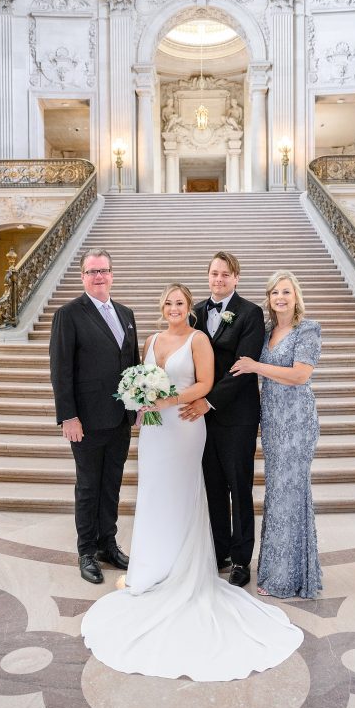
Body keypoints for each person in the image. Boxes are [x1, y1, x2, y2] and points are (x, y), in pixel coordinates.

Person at [81, 283, 303, 681]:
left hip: (184, 425)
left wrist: (166, 401)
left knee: (183, 494)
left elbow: (204, 384)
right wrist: (138, 398)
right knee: (152, 494)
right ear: (162, 306)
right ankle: (153, 567)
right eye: (167, 302)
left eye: (179, 302)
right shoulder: (149, 338)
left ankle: (190, 566)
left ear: (189, 308)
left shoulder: (199, 339)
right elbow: (135, 378)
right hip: (152, 430)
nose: (173, 308)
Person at [49, 248, 139, 584]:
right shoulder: (69, 315)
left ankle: (108, 545)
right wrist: (68, 416)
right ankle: (86, 550)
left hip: (119, 419)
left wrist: (139, 403)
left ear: (112, 274)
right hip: (85, 421)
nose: (98, 276)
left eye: (103, 270)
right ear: (82, 276)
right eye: (91, 271)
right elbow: (61, 370)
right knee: (88, 486)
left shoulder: (126, 313)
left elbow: (133, 365)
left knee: (112, 484)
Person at [231, 271, 323, 599]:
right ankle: (273, 570)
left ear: (296, 296)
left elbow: (300, 375)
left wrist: (256, 367)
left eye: (286, 292)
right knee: (276, 495)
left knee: (290, 495)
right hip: (271, 423)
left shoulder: (307, 330)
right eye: (274, 293)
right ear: (269, 299)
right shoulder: (268, 332)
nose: (280, 297)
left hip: (297, 422)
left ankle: (289, 578)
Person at [179, 252, 265, 588]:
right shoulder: (196, 312)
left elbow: (243, 367)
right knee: (212, 486)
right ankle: (219, 550)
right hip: (200, 421)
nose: (219, 279)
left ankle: (242, 559)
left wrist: (208, 401)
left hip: (237, 417)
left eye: (225, 274)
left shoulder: (251, 313)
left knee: (239, 487)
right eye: (214, 273)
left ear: (236, 278)